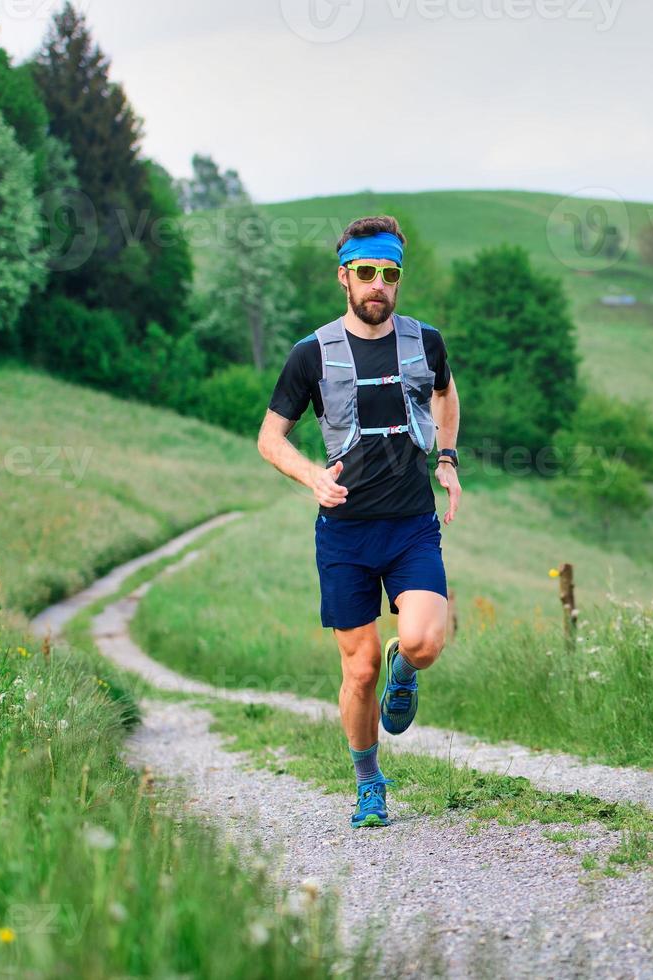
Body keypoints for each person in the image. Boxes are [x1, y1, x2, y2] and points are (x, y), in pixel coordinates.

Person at [257, 215, 462, 828]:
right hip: (345, 532)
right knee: (359, 668)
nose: (379, 285)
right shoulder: (310, 354)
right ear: (344, 277)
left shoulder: (426, 342)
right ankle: (369, 780)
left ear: (399, 279)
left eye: (390, 274)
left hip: (410, 525)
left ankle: (408, 668)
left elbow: (446, 395)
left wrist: (446, 458)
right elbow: (271, 439)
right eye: (367, 273)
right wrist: (311, 476)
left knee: (425, 642)